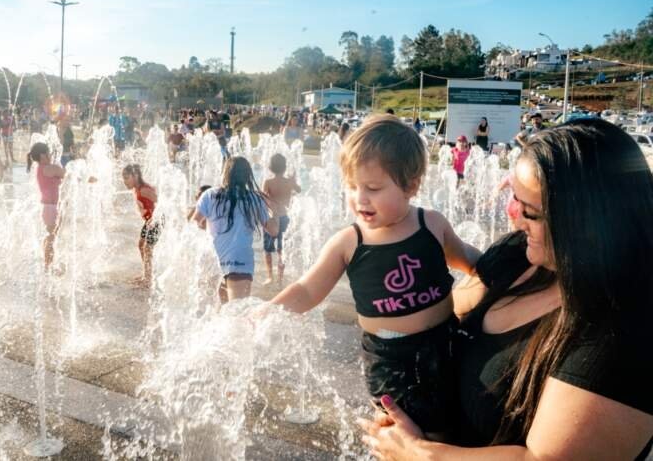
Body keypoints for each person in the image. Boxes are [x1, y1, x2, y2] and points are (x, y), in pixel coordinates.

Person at [359, 118, 653, 460]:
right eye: (515, 199)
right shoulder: (517, 256)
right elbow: (438, 321)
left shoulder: (628, 329)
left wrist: (419, 453)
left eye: (530, 212)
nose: (513, 218)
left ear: (586, 221)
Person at [267, 115, 480, 438]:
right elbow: (307, 290)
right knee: (402, 433)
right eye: (352, 186)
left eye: (373, 188)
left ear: (411, 185)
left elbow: (468, 260)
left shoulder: (432, 225)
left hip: (445, 343)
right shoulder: (350, 242)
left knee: (451, 429)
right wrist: (267, 313)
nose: (360, 198)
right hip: (389, 360)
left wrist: (506, 265)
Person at [192, 157, 279, 303]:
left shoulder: (210, 194)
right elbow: (273, 231)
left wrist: (211, 228)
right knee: (237, 313)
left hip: (213, 259)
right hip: (240, 261)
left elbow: (194, 223)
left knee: (219, 310)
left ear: (225, 173)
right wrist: (274, 210)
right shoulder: (254, 199)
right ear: (247, 176)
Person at [262, 153, 301, 286]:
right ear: (284, 167)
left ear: (270, 167)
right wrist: (293, 180)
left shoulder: (268, 182)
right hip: (285, 217)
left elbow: (263, 199)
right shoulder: (288, 182)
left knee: (268, 250)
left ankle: (269, 277)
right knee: (281, 249)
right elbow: (299, 190)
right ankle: (280, 278)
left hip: (272, 218)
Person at [27, 142, 64, 269]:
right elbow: (66, 173)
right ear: (43, 155)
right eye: (49, 152)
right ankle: (48, 267)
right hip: (51, 208)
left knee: (50, 237)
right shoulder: (49, 168)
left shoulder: (41, 168)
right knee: (52, 238)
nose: (51, 155)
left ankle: (48, 264)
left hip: (48, 208)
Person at [122, 164, 159, 286]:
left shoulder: (144, 190)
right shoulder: (137, 189)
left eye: (127, 178)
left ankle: (148, 279)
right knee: (141, 244)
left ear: (135, 176)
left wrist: (155, 219)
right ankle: (146, 273)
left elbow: (161, 202)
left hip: (156, 221)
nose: (124, 181)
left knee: (147, 248)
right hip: (149, 221)